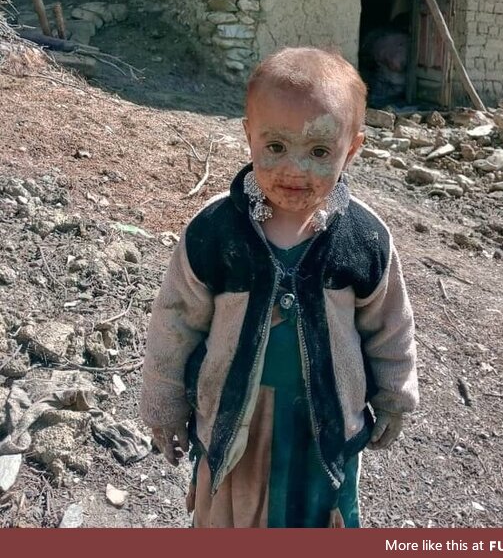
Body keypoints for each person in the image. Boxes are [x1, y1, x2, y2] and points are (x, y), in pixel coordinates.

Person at [140, 47, 419, 528]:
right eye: (275, 148)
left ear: (351, 150)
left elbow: (390, 325)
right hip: (234, 426)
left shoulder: (364, 239)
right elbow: (175, 321)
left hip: (322, 428)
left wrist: (395, 395)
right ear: (249, 137)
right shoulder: (215, 232)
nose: (295, 169)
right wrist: (165, 404)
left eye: (318, 152)